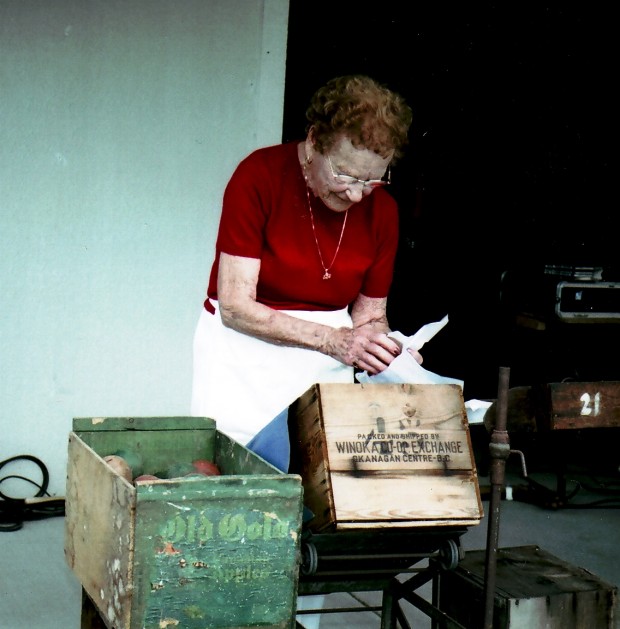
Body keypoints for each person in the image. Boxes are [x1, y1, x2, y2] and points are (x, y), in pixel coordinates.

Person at [191, 74, 421, 471]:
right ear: (314, 140)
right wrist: (334, 341)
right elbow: (235, 307)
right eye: (345, 175)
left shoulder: (382, 210)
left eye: (372, 180)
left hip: (324, 364)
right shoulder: (259, 176)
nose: (355, 194)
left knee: (315, 481)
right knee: (234, 479)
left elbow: (370, 315)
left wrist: (386, 349)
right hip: (243, 357)